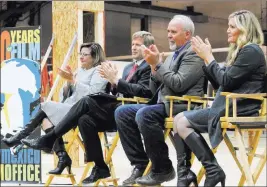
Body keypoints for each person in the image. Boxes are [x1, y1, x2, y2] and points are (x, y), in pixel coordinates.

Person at [21, 31, 154, 183]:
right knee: (84, 119)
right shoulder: (128, 67)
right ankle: (100, 167)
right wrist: (113, 83)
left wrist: (116, 81)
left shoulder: (149, 67)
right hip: (116, 108)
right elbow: (119, 91)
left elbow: (145, 92)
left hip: (129, 111)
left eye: (138, 45)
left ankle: (50, 138)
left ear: (148, 47)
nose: (133, 47)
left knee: (86, 101)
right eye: (132, 44)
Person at [173, 10, 266, 187]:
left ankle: (213, 170)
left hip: (241, 106)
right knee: (178, 119)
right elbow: (221, 86)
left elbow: (225, 81)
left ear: (244, 29)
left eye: (232, 27)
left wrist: (209, 57)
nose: (227, 30)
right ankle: (186, 173)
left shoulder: (251, 51)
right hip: (230, 104)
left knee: (182, 122)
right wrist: (206, 60)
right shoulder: (242, 51)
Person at [114, 15, 205, 186]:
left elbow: (178, 84)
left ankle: (162, 168)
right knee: (122, 112)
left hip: (182, 104)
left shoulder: (193, 53)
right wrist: (153, 67)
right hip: (165, 103)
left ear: (187, 34)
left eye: (173, 32)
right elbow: (154, 87)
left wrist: (157, 65)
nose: (169, 35)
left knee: (145, 114)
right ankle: (141, 164)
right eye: (168, 31)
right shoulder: (173, 55)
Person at [3, 42, 108, 174]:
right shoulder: (80, 70)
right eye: (80, 54)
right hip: (71, 106)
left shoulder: (100, 70)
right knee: (45, 120)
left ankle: (21, 136)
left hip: (86, 111)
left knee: (45, 105)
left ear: (95, 57)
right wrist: (67, 85)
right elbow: (66, 94)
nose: (81, 57)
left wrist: (73, 81)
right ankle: (62, 156)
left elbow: (93, 94)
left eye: (85, 55)